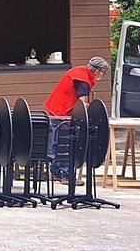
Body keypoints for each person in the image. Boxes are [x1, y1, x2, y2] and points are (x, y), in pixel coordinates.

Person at [44, 56, 110, 184]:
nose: (103, 75)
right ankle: (66, 175)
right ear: (97, 70)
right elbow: (82, 102)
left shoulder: (82, 72)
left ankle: (56, 172)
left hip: (61, 108)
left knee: (59, 141)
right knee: (65, 142)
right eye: (103, 72)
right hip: (61, 110)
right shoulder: (82, 78)